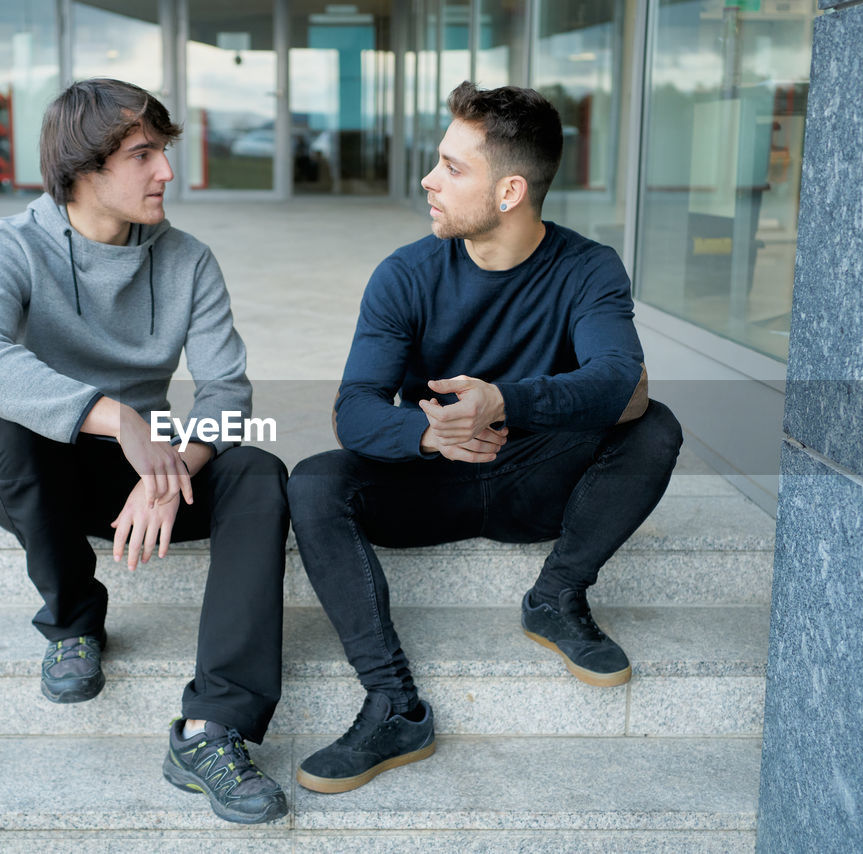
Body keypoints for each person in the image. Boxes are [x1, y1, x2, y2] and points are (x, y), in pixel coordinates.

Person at [286, 81, 683, 795]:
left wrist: (503, 401)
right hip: (430, 484)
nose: (429, 181)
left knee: (654, 428)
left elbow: (623, 385)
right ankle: (394, 705)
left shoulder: (588, 268)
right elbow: (355, 409)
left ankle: (556, 597)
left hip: (535, 480)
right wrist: (429, 434)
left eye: (452, 168)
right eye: (438, 163)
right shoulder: (405, 275)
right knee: (314, 481)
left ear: (509, 192)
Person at [0, 78, 289, 824]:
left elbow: (227, 395)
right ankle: (72, 624)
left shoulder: (187, 261)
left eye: (164, 151)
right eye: (144, 155)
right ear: (81, 169)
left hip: (145, 473)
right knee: (10, 418)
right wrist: (113, 417)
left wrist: (170, 471)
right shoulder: (7, 247)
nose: (167, 171)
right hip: (44, 470)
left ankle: (211, 728)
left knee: (258, 468)